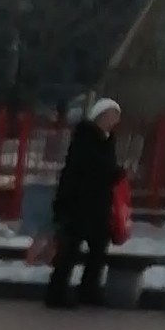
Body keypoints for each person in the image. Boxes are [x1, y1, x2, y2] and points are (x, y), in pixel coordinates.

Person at [46, 98, 122, 309]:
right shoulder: (85, 137)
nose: (115, 120)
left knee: (98, 250)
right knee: (69, 250)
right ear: (101, 116)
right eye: (112, 115)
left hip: (98, 206)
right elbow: (89, 168)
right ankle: (57, 293)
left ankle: (89, 290)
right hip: (77, 204)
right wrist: (114, 173)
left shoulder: (108, 140)